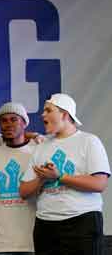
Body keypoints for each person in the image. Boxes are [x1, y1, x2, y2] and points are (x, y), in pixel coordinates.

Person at [19, 93, 110, 255]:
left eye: (48, 110)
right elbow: (24, 192)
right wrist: (41, 178)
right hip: (45, 225)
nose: (42, 115)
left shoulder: (89, 141)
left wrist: (60, 177)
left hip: (82, 222)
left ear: (65, 115)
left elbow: (99, 184)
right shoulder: (41, 146)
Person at [0, 103, 38, 255]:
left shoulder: (38, 150)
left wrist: (35, 136)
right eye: (4, 121)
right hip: (2, 242)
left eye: (14, 119)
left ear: (24, 123)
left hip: (33, 240)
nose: (8, 124)